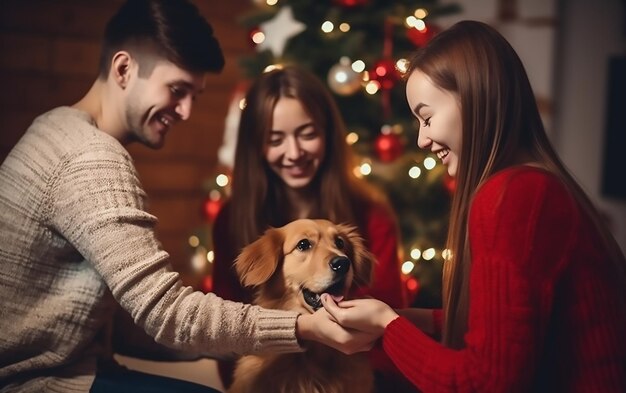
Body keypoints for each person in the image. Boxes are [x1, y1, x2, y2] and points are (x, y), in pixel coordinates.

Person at [0, 1, 377, 392]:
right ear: (123, 68)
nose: (184, 111)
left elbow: (133, 321)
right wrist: (299, 327)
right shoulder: (91, 157)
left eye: (194, 96)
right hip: (38, 381)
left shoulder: (55, 130)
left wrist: (230, 343)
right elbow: (165, 312)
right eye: (177, 90)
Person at [322, 20, 626, 392]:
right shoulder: (537, 183)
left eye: (427, 117)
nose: (421, 138)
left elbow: (484, 382)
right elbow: (508, 327)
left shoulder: (513, 197)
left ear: (475, 96)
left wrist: (389, 325)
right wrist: (403, 318)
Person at [211, 65, 410, 391]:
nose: (294, 153)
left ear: (328, 134)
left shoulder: (371, 212)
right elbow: (225, 329)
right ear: (255, 147)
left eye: (307, 133)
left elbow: (388, 324)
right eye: (275, 139)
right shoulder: (232, 219)